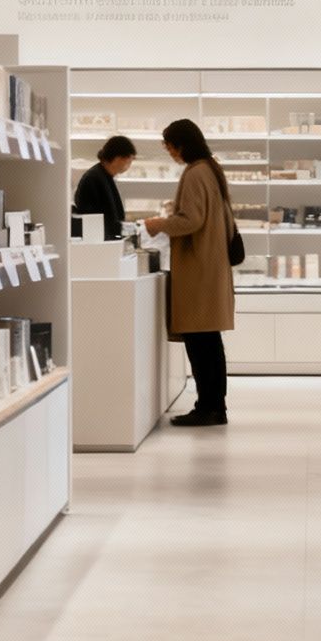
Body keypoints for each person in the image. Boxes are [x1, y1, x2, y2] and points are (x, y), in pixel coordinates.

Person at [144, 119, 238, 427]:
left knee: (201, 344)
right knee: (210, 342)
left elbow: (193, 220)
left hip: (199, 270)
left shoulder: (195, 172)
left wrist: (160, 224)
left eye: (170, 146)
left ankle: (208, 408)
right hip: (211, 265)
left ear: (181, 144)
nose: (170, 152)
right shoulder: (211, 168)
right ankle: (213, 405)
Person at [73, 135, 135, 240]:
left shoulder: (103, 175)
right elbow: (97, 218)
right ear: (118, 158)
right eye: (129, 161)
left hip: (103, 239)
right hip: (97, 241)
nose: (129, 165)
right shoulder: (94, 178)